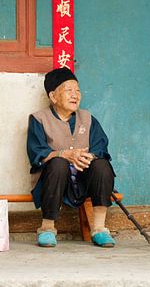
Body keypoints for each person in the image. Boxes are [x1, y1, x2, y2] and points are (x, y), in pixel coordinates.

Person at [27, 67, 116, 248]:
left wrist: (87, 156)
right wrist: (63, 154)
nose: (75, 95)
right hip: (54, 182)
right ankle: (47, 228)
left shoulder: (88, 118)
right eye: (69, 90)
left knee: (102, 165)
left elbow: (101, 147)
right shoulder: (39, 119)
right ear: (53, 97)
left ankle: (99, 229)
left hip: (84, 181)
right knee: (58, 163)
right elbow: (36, 152)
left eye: (78, 91)